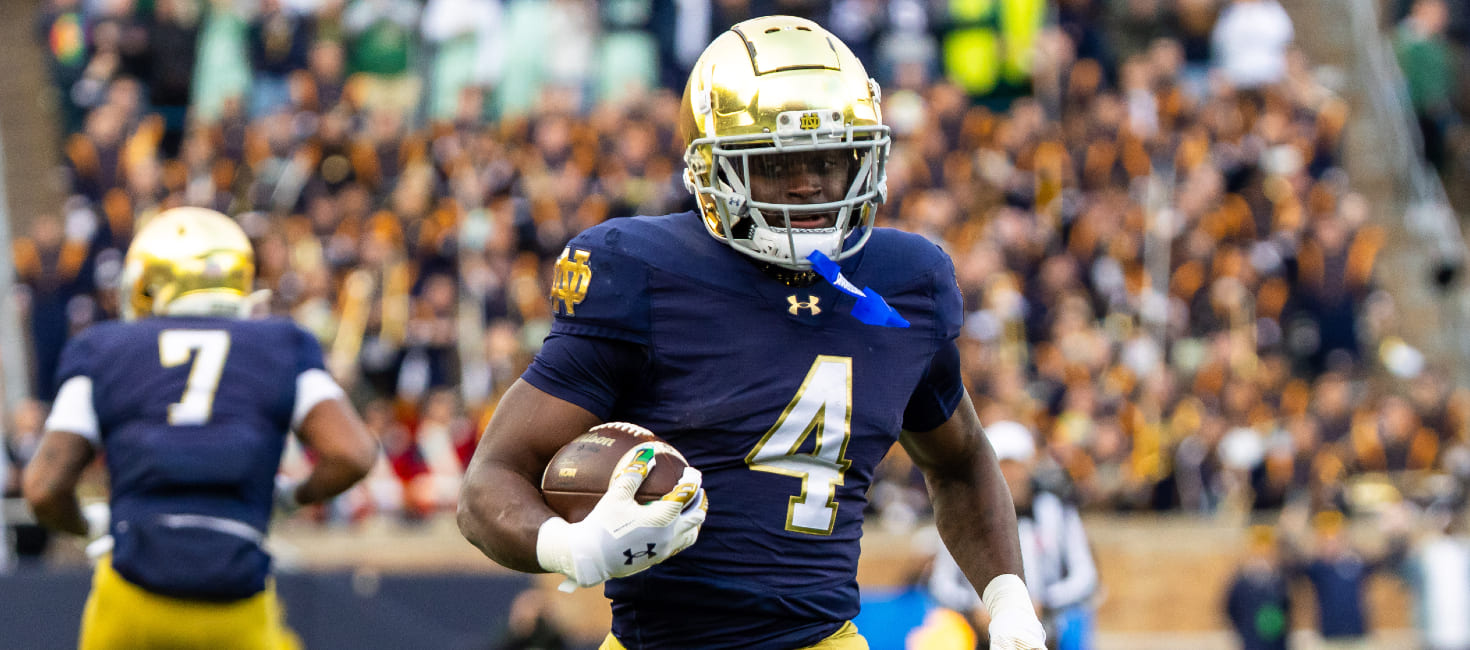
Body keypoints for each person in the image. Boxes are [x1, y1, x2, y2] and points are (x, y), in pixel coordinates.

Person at [458, 15, 1046, 650]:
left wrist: (1010, 602)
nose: (808, 184)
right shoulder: (642, 273)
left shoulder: (905, 281)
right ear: (712, 168)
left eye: (829, 158)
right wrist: (569, 546)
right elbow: (492, 479)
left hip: (822, 639)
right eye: (776, 163)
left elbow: (960, 461)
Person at [22, 207, 378, 649]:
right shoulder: (283, 343)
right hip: (235, 598)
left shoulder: (103, 347)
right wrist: (288, 498)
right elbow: (353, 453)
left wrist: (92, 524)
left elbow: (44, 487)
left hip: (131, 596)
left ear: (149, 283)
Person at [926, 421, 1097, 650]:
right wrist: (975, 608)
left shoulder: (1056, 512)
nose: (1009, 475)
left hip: (1045, 636)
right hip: (983, 637)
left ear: (1029, 465)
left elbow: (1085, 577)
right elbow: (941, 582)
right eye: (1001, 466)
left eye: (1015, 465)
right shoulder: (964, 515)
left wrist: (1045, 602)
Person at [1223, 525, 1292, 650]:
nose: (1263, 554)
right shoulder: (1242, 582)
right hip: (1252, 642)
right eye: (1259, 550)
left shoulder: (1279, 579)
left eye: (1267, 550)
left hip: (1277, 643)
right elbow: (1231, 608)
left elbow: (1286, 607)